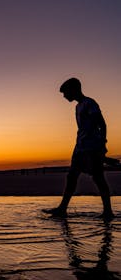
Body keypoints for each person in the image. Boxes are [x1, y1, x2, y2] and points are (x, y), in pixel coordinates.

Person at [43, 78, 113, 219]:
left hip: (92, 148)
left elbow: (102, 124)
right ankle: (62, 209)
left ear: (74, 90)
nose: (64, 96)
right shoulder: (78, 107)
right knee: (72, 177)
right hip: (80, 148)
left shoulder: (89, 103)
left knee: (98, 178)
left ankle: (108, 211)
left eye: (65, 93)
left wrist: (102, 147)